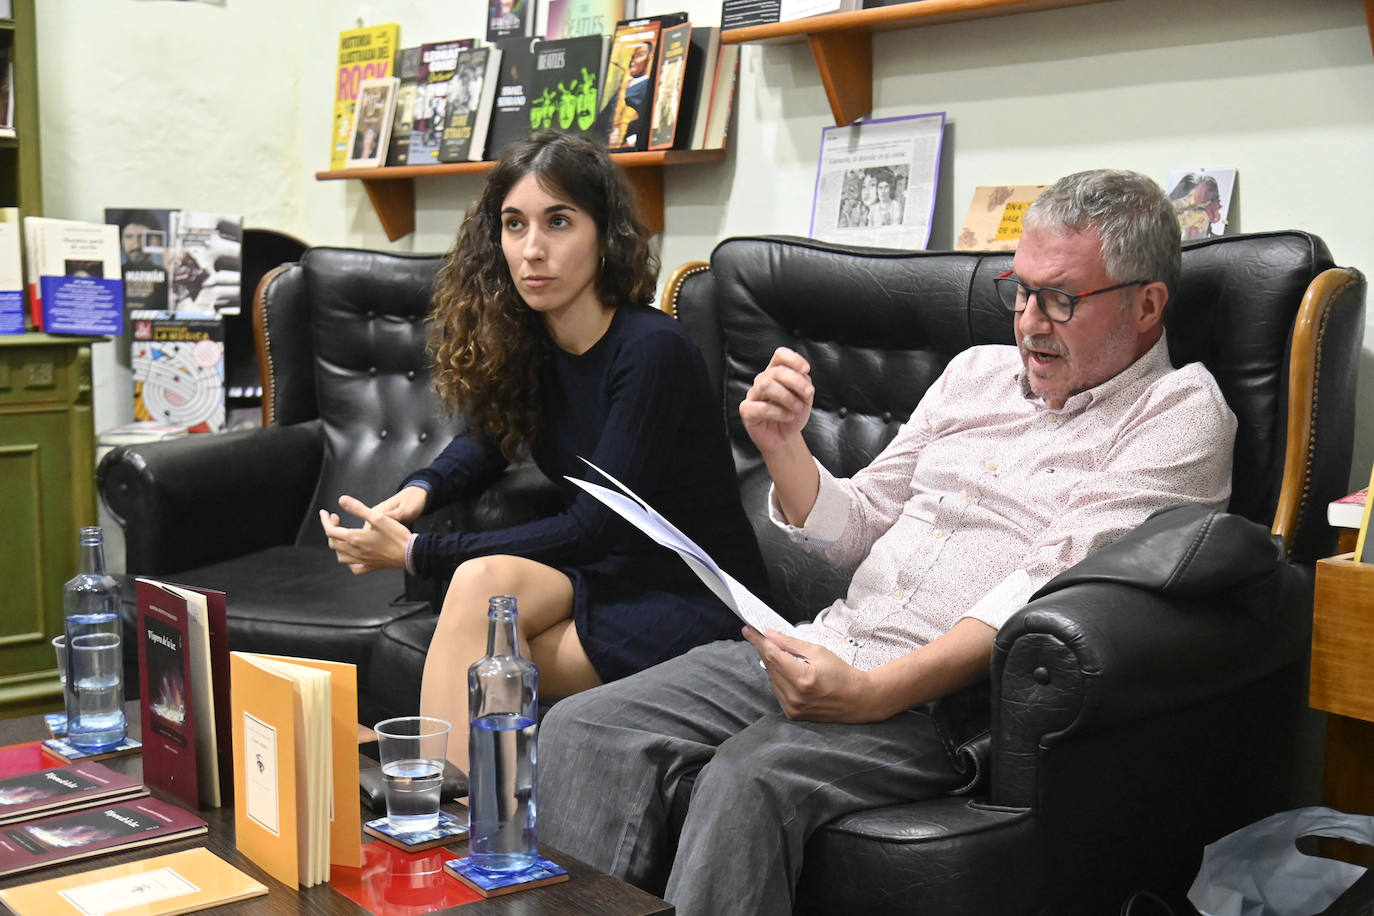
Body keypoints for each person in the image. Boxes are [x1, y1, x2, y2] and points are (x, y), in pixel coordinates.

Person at [536, 168, 1238, 915]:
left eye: (1061, 299)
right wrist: (783, 448)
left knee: (746, 778)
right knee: (584, 724)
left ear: (1148, 304)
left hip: (946, 705)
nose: (1030, 322)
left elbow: (1047, 583)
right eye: (1021, 291)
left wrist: (873, 693)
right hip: (831, 641)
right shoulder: (977, 375)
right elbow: (860, 521)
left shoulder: (1180, 414)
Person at [318, 129, 770, 772]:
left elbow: (595, 525)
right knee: (483, 587)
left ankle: (458, 815)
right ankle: (468, 811)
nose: (533, 250)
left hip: (695, 594)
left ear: (603, 232)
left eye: (558, 221)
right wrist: (419, 494)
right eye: (514, 224)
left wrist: (419, 553)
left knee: (486, 631)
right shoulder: (538, 338)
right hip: (612, 576)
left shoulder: (652, 350)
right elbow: (489, 439)